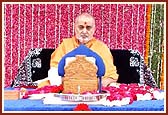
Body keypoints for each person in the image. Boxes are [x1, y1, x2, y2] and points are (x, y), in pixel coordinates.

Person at [36, 12, 118, 88]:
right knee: (45, 86)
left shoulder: (101, 48)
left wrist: (92, 83)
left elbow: (111, 76)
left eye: (88, 28)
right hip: (67, 86)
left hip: (93, 87)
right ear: (75, 27)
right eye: (81, 27)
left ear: (94, 29)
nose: (84, 31)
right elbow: (54, 70)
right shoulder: (65, 45)